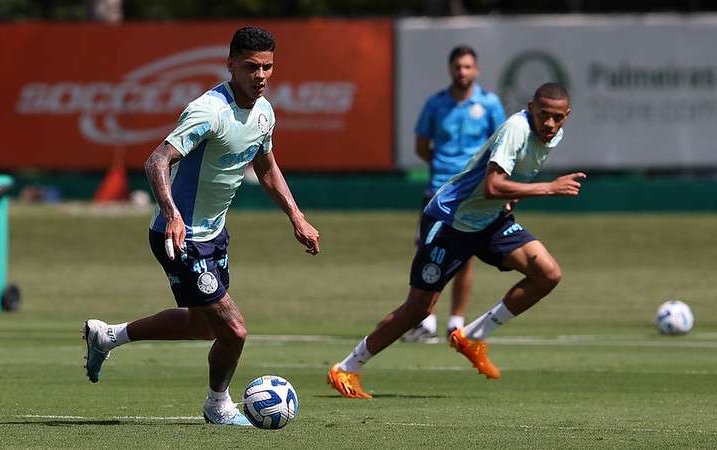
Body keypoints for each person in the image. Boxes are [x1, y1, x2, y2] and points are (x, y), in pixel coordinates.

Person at [82, 26, 321, 425]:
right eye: (251, 67)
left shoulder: (264, 111)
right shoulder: (208, 111)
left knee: (203, 326)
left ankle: (108, 337)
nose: (260, 75)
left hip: (214, 235)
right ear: (230, 65)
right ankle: (218, 406)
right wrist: (174, 214)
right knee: (235, 331)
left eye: (268, 67)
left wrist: (296, 216)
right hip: (180, 238)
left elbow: (265, 167)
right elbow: (156, 161)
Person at [327, 83, 584, 398]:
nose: (549, 124)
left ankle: (472, 336)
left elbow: (507, 181)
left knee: (547, 274)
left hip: (489, 221)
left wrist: (512, 199)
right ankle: (346, 369)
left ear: (566, 116)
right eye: (543, 115)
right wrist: (548, 188)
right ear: (530, 107)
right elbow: (492, 185)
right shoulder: (517, 128)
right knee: (419, 309)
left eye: (557, 117)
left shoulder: (552, 135)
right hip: (450, 221)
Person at [402, 45, 505, 343]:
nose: (462, 72)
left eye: (467, 67)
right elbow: (422, 145)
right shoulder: (436, 104)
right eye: (458, 66)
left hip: (473, 194)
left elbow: (500, 144)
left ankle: (456, 321)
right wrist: (445, 168)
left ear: (477, 70)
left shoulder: (489, 104)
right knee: (429, 252)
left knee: (466, 257)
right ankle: (426, 320)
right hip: (439, 190)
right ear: (450, 69)